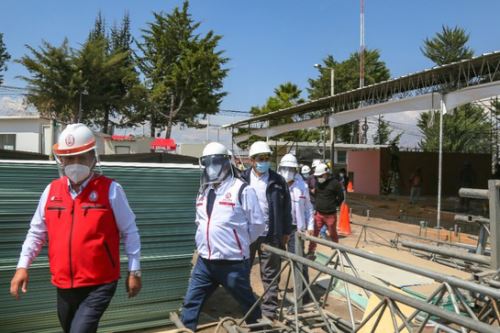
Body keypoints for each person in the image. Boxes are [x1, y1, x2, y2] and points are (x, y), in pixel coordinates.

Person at [9, 123, 142, 333]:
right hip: (63, 284)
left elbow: (130, 231)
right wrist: (22, 266)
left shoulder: (111, 190)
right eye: (70, 158)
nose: (75, 163)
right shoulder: (51, 191)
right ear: (61, 160)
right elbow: (36, 232)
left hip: (100, 283)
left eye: (82, 157)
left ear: (93, 157)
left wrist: (134, 271)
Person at [181, 142, 266, 330]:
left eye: (215, 162)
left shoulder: (242, 190)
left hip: (232, 262)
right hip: (205, 262)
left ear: (226, 163)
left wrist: (238, 242)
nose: (211, 167)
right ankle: (186, 328)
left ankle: (260, 328)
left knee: (247, 303)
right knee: (191, 302)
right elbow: (200, 221)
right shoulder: (204, 191)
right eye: (207, 163)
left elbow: (258, 224)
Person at [242, 141, 292, 320]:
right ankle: (247, 308)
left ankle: (269, 311)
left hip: (271, 234)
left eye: (267, 158)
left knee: (271, 274)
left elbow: (287, 208)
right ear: (251, 160)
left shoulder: (278, 181)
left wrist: (286, 231)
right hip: (246, 235)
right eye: (260, 158)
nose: (264, 161)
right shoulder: (241, 179)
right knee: (242, 271)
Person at [278, 154, 314, 292]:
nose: (287, 171)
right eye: (285, 168)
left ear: (296, 170)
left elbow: (308, 208)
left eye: (291, 168)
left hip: (295, 229)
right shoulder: (276, 184)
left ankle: (303, 291)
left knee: (298, 260)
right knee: (275, 260)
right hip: (279, 228)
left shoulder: (302, 186)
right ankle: (273, 290)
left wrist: (310, 226)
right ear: (280, 168)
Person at [307, 163, 344, 256]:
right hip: (319, 214)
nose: (318, 178)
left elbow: (341, 197)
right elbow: (316, 194)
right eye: (317, 176)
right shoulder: (318, 183)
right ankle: (311, 251)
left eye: (320, 176)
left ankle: (336, 251)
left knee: (333, 233)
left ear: (326, 174)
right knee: (314, 233)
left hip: (330, 215)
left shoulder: (335, 184)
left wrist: (334, 205)